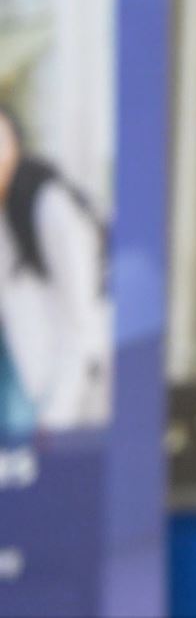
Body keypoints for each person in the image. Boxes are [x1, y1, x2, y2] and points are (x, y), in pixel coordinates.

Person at [0, 102, 111, 438]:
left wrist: (57, 416)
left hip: (55, 400)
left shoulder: (50, 206)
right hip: (18, 384)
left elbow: (82, 323)